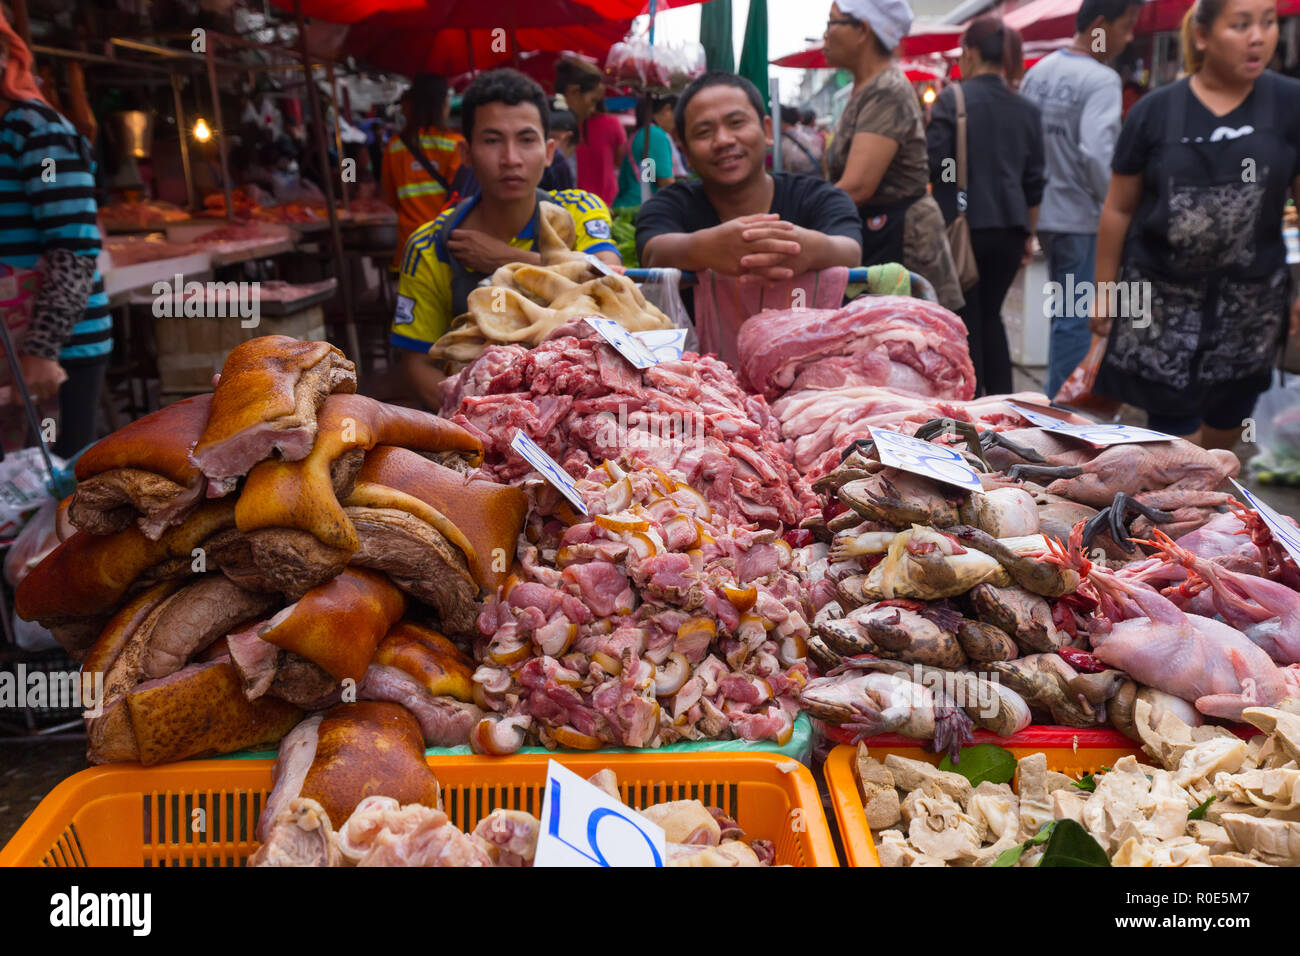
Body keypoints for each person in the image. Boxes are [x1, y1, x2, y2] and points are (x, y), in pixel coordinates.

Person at [1091, 0, 1300, 448]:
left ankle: (1215, 512)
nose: (1259, 37)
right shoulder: (1155, 111)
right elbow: (1118, 208)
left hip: (1251, 306)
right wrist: (1104, 292)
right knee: (1175, 441)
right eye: (1241, 25)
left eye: (1268, 23)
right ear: (1203, 36)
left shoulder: (1289, 104)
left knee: (1226, 430)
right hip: (1163, 305)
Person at [390, 69, 621, 410]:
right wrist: (492, 418)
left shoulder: (580, 212)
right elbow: (416, 364)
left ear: (548, 151)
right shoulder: (431, 247)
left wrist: (505, 259)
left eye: (526, 140)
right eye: (492, 140)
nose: (510, 158)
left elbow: (613, 282)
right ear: (466, 153)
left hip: (585, 411)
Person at [637, 72, 861, 362]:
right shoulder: (670, 204)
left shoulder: (818, 196)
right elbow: (652, 251)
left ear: (767, 129)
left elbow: (850, 250)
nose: (723, 140)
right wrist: (704, 248)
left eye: (736, 123)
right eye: (704, 132)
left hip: (812, 379)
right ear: (685, 151)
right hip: (703, 387)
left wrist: (805, 248)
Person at [1019, 0, 1140, 398]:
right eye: (1126, 27)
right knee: (1075, 317)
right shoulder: (1102, 79)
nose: (1129, 37)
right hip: (1081, 216)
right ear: (1101, 27)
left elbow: (1024, 148)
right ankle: (1059, 419)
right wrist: (1116, 207)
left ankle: (1054, 409)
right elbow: (1096, 154)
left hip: (1043, 213)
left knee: (1063, 315)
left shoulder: (1037, 74)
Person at [0, 18, 109, 457]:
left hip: (58, 351)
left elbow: (75, 249)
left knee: (56, 494)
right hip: (11, 345)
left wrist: (43, 350)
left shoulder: (36, 128)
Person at [822, 0, 965, 313]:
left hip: (903, 240)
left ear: (862, 30)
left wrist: (806, 218)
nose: (825, 34)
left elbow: (858, 185)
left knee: (913, 347)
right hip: (880, 234)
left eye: (832, 22)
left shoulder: (887, 89)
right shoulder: (864, 89)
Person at [927, 18, 1045, 395]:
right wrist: (1028, 233)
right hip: (1011, 229)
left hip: (964, 227)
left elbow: (939, 165)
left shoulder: (952, 99)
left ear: (972, 53)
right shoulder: (1027, 108)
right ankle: (1004, 404)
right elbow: (1034, 180)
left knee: (965, 318)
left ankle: (972, 409)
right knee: (991, 315)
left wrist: (951, 189)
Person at [382, 74, 469, 269]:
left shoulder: (394, 146)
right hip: (448, 243)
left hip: (410, 243)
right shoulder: (455, 145)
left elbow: (390, 198)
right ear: (441, 104)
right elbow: (463, 199)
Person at [556, 59, 626, 206]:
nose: (593, 109)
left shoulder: (568, 125)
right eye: (593, 101)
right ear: (573, 91)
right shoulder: (556, 130)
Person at [614, 95, 678, 209]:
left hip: (629, 205)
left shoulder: (641, 133)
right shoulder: (655, 134)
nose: (677, 124)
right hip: (640, 208)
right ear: (667, 109)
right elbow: (666, 182)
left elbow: (649, 175)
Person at [778, 105, 824, 178]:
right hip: (817, 177)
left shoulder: (782, 141)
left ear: (782, 121)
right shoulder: (809, 131)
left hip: (800, 180)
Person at [540, 108, 578, 191]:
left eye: (551, 137)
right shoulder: (557, 161)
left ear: (567, 138)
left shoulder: (558, 160)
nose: (545, 142)